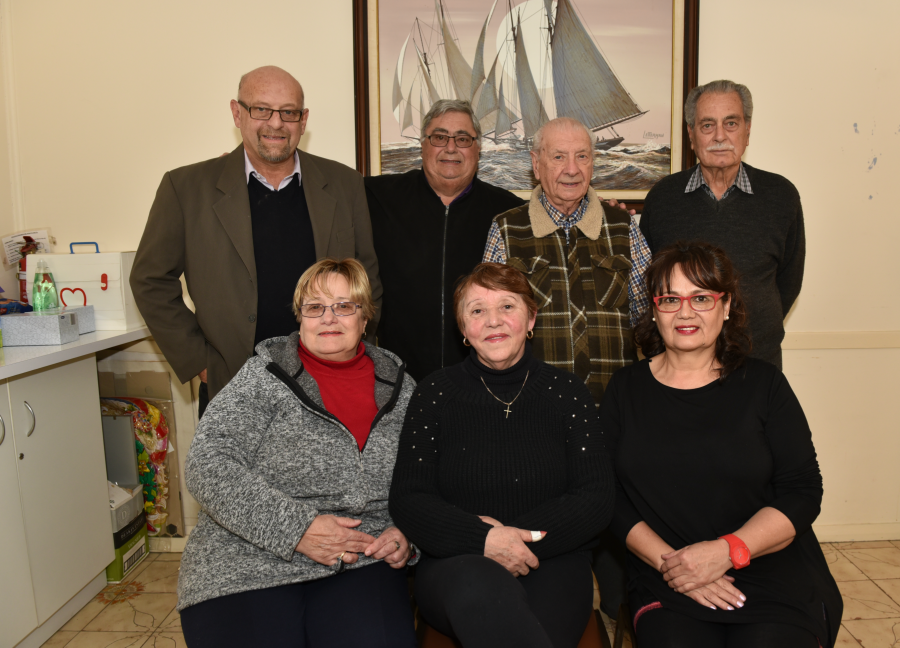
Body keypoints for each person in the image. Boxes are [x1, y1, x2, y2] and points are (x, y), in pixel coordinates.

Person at [602, 241, 841, 648]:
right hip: (667, 574)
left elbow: (802, 491)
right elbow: (607, 497)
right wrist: (675, 567)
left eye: (701, 297)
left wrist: (727, 551)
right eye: (670, 299)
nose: (685, 312)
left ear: (726, 306)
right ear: (654, 309)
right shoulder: (624, 390)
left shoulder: (765, 385)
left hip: (767, 569)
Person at [177, 258, 417, 648]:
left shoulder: (403, 389)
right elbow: (207, 466)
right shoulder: (263, 377)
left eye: (344, 306)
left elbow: (426, 479)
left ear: (365, 317)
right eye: (314, 307)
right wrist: (297, 528)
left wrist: (409, 532)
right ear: (299, 317)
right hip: (247, 560)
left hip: (360, 559)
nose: (329, 318)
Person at [131, 66, 381, 414]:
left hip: (329, 381)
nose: (276, 123)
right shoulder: (185, 188)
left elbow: (367, 278)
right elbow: (149, 280)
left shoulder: (344, 184)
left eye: (288, 112)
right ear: (237, 113)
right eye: (261, 109)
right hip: (234, 382)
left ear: (303, 119)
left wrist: (356, 350)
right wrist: (201, 362)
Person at [389, 262, 614, 648]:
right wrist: (483, 540)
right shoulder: (433, 394)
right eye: (477, 310)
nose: (493, 321)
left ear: (531, 318)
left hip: (554, 559)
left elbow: (595, 497)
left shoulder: (568, 393)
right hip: (455, 564)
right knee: (481, 592)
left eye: (507, 306)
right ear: (463, 329)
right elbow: (410, 499)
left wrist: (512, 541)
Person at [483, 117, 651, 407]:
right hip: (533, 410)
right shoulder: (506, 229)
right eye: (559, 157)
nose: (572, 169)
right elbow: (489, 326)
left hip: (615, 411)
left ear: (592, 162)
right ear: (536, 164)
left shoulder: (624, 226)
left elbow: (651, 319)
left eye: (582, 156)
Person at [639, 79, 805, 370]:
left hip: (758, 365)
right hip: (681, 370)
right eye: (707, 125)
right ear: (691, 135)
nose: (719, 136)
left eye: (731, 123)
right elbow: (649, 286)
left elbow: (787, 283)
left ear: (747, 130)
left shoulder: (781, 196)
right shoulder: (663, 198)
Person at [366, 99, 522, 382]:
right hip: (395, 379)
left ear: (478, 149)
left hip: (481, 379)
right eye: (439, 137)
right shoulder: (376, 198)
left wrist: (604, 211)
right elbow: (324, 193)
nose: (451, 148)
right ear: (423, 145)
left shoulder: (509, 211)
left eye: (463, 138)